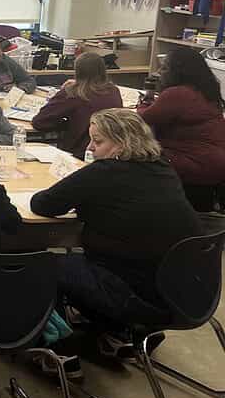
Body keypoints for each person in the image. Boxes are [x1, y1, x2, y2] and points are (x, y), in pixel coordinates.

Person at [31, 109, 202, 372]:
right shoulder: (162, 168)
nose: (90, 148)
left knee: (44, 264)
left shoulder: (104, 171)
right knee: (98, 261)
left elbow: (42, 203)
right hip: (188, 292)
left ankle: (59, 352)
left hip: (137, 295)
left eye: (98, 141)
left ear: (122, 144)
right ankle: (112, 333)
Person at [139, 46, 225, 210]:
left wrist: (145, 101)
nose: (159, 72)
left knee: (139, 156)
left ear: (177, 70)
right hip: (214, 165)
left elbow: (144, 118)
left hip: (195, 163)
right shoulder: (206, 91)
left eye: (164, 68)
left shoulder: (178, 94)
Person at [31, 53, 123, 160]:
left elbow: (39, 122)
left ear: (77, 71)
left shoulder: (73, 92)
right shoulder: (114, 90)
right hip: (110, 153)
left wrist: (65, 125)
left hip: (78, 154)